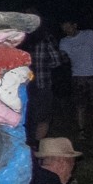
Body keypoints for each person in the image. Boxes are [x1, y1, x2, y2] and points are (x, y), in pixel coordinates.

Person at [57, 19, 93, 136]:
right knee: (80, 105)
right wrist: (61, 57)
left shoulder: (90, 34)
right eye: (64, 29)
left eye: (68, 27)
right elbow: (64, 59)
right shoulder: (64, 42)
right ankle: (81, 131)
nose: (67, 31)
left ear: (75, 25)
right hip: (78, 76)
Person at [23, 13, 61, 142]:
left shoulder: (20, 39)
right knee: (43, 117)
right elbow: (56, 61)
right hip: (42, 83)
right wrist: (44, 65)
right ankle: (37, 145)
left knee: (27, 115)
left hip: (22, 85)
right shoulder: (46, 38)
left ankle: (27, 142)